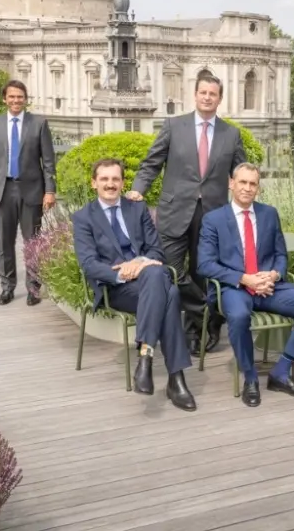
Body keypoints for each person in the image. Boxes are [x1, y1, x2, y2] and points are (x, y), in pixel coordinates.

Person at [129, 74, 246, 354]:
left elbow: (240, 173)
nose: (207, 97)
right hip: (174, 211)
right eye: (203, 92)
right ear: (195, 95)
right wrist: (138, 189)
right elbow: (151, 163)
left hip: (213, 214)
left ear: (219, 99)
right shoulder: (173, 126)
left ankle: (198, 332)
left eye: (213, 94)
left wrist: (246, 202)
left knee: (203, 272)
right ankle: (207, 312)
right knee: (171, 270)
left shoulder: (231, 134)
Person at [197, 162, 294, 407]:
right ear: (231, 183)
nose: (247, 188)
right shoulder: (213, 219)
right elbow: (205, 264)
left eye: (253, 184)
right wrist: (244, 278)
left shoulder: (269, 214)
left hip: (269, 288)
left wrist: (274, 275)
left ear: (258, 188)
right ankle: (250, 378)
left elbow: (281, 255)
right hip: (235, 288)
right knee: (238, 316)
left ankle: (281, 371)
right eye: (242, 182)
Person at [73, 158, 196, 411]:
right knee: (170, 291)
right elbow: (89, 264)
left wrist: (138, 263)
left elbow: (156, 250)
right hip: (116, 288)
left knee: (157, 277)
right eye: (104, 179)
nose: (110, 184)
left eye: (115, 179)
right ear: (94, 183)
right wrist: (123, 272)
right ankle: (175, 379)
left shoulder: (137, 209)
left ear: (122, 182)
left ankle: (147, 359)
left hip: (147, 279)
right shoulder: (83, 217)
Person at [0, 79, 57, 307]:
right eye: (11, 96)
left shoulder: (39, 123)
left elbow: (49, 161)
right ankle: (7, 287)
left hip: (32, 191)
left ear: (25, 99)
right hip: (2, 190)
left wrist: (50, 190)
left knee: (32, 241)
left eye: (20, 97)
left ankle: (33, 288)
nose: (16, 100)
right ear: (5, 99)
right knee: (5, 242)